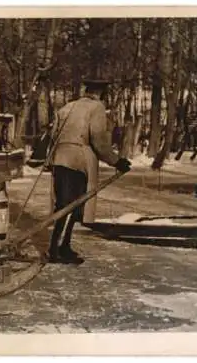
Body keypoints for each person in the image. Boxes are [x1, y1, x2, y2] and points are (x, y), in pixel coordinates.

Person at [47, 79, 132, 264]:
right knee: (73, 205)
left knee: (62, 204)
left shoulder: (68, 107)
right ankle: (59, 249)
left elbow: (53, 135)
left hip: (60, 158)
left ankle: (59, 246)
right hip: (78, 160)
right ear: (101, 93)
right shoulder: (97, 108)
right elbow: (99, 140)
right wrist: (117, 161)